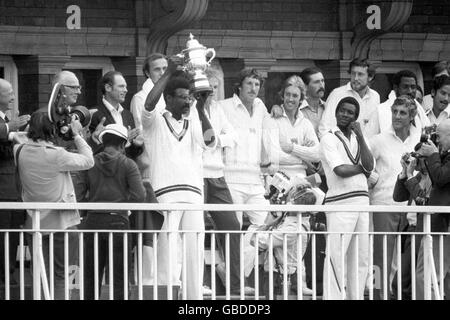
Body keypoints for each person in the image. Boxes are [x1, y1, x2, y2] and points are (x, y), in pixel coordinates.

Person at [142, 57, 216, 299]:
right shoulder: (155, 122)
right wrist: (169, 73)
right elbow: (148, 105)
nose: (187, 100)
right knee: (168, 258)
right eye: (183, 97)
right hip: (166, 196)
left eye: (189, 96)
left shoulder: (193, 119)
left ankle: (194, 302)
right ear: (169, 98)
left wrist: (200, 107)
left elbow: (209, 140)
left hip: (194, 196)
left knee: (194, 257)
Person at [14, 111, 94, 299]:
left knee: (41, 274)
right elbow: (89, 160)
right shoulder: (57, 155)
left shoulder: (18, 151)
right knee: (61, 275)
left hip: (35, 223)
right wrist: (76, 134)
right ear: (52, 130)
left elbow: (19, 137)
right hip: (61, 224)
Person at [76, 124, 146, 300]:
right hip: (118, 222)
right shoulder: (128, 164)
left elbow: (77, 194)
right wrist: (122, 204)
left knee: (90, 276)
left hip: (92, 222)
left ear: (103, 141)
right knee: (119, 277)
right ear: (123, 145)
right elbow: (140, 195)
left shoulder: (90, 162)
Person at [216, 68, 271, 285]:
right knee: (233, 230)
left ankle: (229, 269)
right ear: (239, 85)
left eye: (257, 85)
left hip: (255, 178)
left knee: (268, 225)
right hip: (230, 176)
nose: (253, 88)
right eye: (249, 84)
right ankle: (235, 279)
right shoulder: (224, 106)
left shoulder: (261, 107)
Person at [320, 96, 374, 300]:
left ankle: (356, 297)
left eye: (350, 112)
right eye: (342, 110)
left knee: (360, 257)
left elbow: (371, 164)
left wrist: (360, 135)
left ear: (355, 117)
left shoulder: (361, 138)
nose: (345, 114)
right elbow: (340, 170)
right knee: (336, 255)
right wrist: (363, 169)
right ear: (336, 112)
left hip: (362, 202)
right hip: (340, 202)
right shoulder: (328, 138)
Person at [368, 95, 421, 300]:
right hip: (383, 203)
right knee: (381, 256)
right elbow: (363, 165)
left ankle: (401, 294)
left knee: (408, 258)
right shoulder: (378, 140)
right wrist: (372, 179)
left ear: (412, 116)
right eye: (394, 112)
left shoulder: (419, 139)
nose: (397, 116)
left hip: (412, 207)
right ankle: (378, 295)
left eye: (402, 113)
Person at [201, 72, 249, 295]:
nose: (212, 91)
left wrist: (216, 140)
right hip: (197, 175)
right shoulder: (192, 109)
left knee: (231, 226)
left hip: (218, 175)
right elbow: (202, 139)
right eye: (208, 86)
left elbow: (233, 137)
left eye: (215, 86)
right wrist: (217, 139)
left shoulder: (218, 109)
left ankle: (235, 284)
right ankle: (197, 282)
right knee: (196, 230)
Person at [252, 179, 317, 298]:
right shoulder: (295, 223)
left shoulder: (292, 229)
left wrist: (267, 224)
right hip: (281, 275)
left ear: (292, 204)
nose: (284, 199)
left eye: (287, 197)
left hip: (281, 278)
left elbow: (255, 240)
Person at [415, 118, 450, 299]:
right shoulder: (443, 154)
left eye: (440, 136)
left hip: (441, 225)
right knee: (437, 276)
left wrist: (433, 155)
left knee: (426, 275)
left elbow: (441, 177)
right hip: (440, 225)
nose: (438, 140)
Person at [0, 78, 30, 290]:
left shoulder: (6, 120)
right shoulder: (6, 123)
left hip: (13, 190)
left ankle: (8, 276)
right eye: (8, 92)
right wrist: (11, 129)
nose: (12, 96)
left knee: (11, 241)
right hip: (2, 192)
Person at [392, 148, 432, 300]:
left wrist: (409, 176)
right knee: (404, 283)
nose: (415, 161)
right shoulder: (418, 176)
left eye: (419, 157)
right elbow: (398, 196)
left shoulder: (434, 178)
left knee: (403, 282)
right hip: (410, 231)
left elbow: (423, 201)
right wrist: (404, 172)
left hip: (422, 231)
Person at [319, 58, 380, 138]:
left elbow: (375, 130)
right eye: (353, 73)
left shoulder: (375, 96)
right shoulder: (337, 93)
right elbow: (325, 127)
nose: (355, 78)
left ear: (370, 77)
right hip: (340, 147)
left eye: (360, 74)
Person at [89, 71, 144, 159]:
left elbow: (132, 154)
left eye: (125, 86)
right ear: (108, 87)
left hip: (125, 169)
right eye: (121, 86)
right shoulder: (94, 114)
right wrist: (125, 141)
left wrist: (137, 145)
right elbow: (92, 150)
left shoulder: (128, 115)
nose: (126, 90)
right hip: (105, 170)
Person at [365, 70, 429, 139]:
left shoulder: (419, 110)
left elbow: (427, 134)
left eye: (413, 87)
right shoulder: (381, 110)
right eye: (405, 87)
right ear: (396, 88)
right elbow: (368, 139)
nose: (410, 91)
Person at [299, 67, 326, 136]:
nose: (321, 85)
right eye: (316, 82)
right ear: (305, 86)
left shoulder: (328, 107)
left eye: (322, 81)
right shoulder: (296, 109)